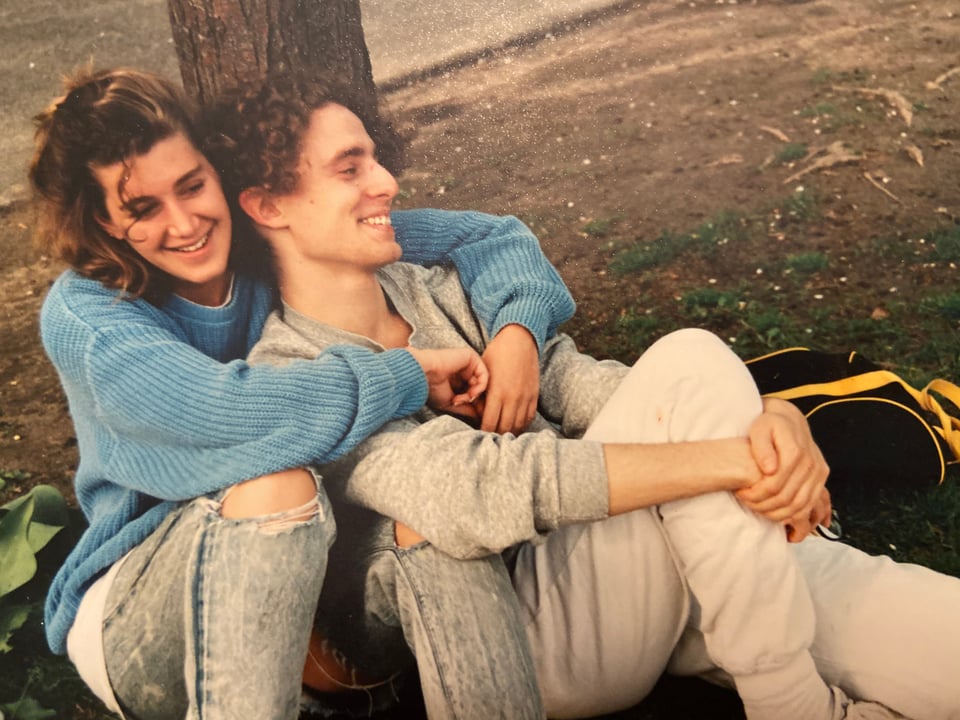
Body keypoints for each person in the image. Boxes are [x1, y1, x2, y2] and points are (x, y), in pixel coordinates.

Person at [219, 71, 960, 720]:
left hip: (663, 566)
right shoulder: (291, 374)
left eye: (375, 160)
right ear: (269, 206)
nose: (386, 183)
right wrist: (732, 460)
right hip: (539, 636)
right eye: (350, 168)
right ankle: (790, 702)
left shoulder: (440, 289)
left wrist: (770, 416)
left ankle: (782, 665)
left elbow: (587, 383)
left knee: (939, 644)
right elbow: (473, 494)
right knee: (694, 358)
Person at [29, 67, 577, 719]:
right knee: (275, 483)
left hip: (310, 591)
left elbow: (485, 237)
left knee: (428, 518)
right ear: (103, 225)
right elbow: (226, 412)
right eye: (143, 210)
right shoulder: (90, 317)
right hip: (148, 613)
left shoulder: (258, 241)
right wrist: (406, 372)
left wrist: (517, 330)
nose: (184, 224)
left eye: (192, 186)